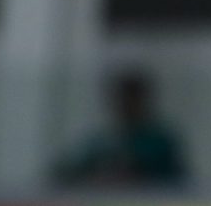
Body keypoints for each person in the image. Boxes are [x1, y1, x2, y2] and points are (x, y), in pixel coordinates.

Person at [53, 69, 188, 189]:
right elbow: (68, 170)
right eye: (122, 99)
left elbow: (174, 179)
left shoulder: (160, 142)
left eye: (132, 99)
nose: (126, 105)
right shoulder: (103, 141)